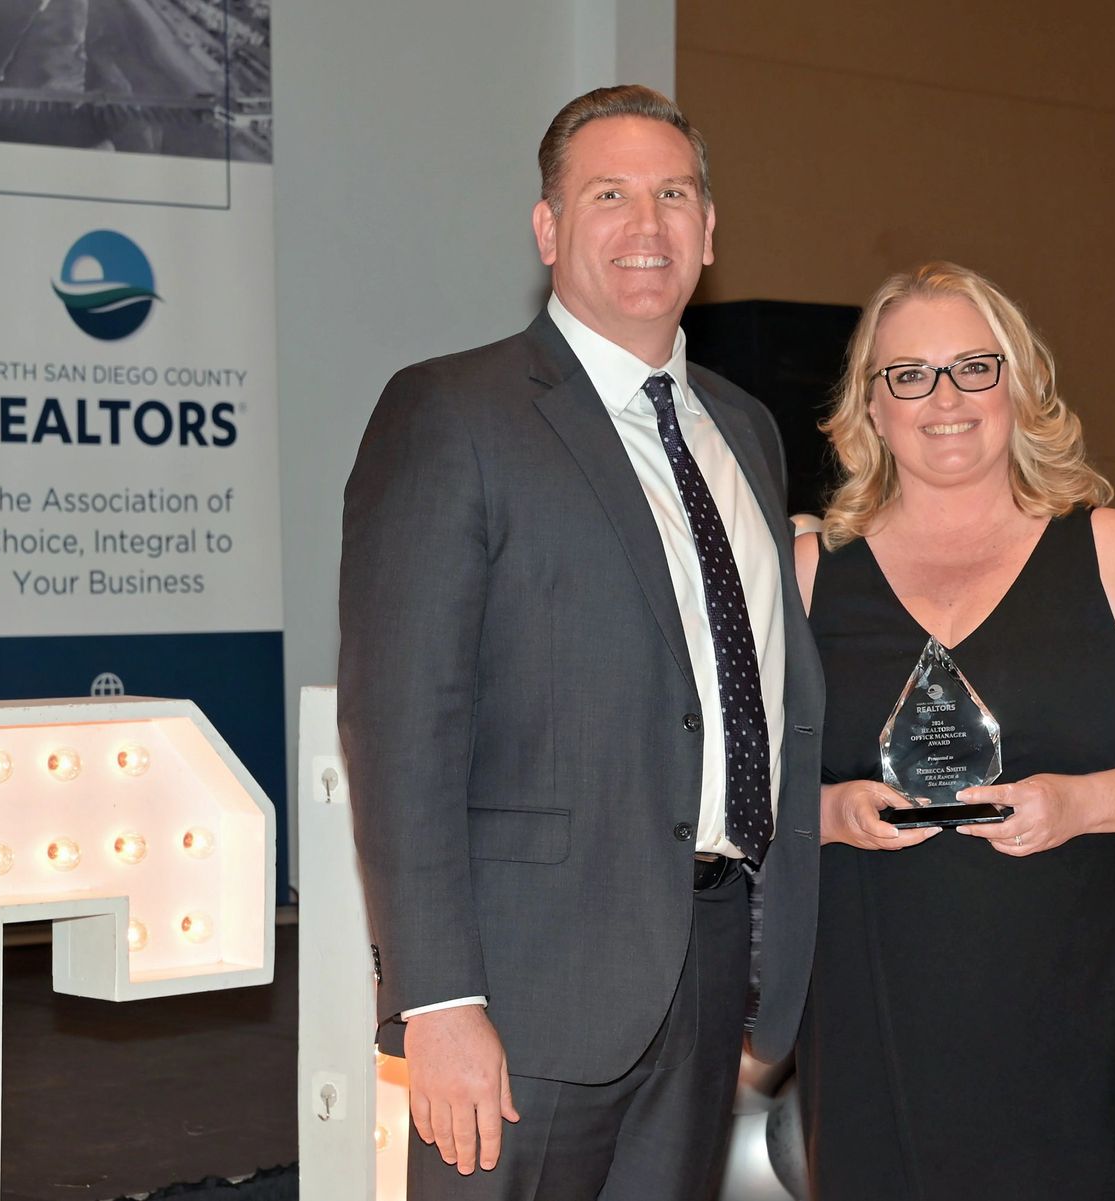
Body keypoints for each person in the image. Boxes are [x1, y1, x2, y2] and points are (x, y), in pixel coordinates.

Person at [337, 85, 824, 1201]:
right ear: (548, 228)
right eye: (609, 196)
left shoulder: (745, 429)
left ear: (710, 229)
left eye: (673, 195)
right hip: (524, 995)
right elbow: (403, 726)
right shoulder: (452, 412)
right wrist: (439, 998)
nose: (647, 224)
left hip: (711, 976)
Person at [793, 261, 1115, 1199]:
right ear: (871, 405)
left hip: (1065, 1011)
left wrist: (1081, 803)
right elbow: (722, 787)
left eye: (975, 366)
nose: (945, 398)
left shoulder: (1111, 550)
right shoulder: (809, 571)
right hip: (872, 1016)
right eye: (909, 374)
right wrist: (827, 812)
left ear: (1020, 383)